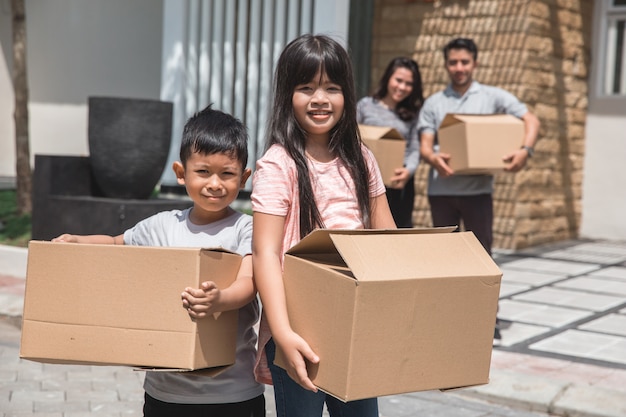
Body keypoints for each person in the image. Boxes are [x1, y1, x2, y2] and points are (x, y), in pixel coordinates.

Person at [52, 105, 266, 417]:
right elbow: (116, 243)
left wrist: (220, 299)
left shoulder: (245, 229)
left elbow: (249, 283)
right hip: (166, 393)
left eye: (228, 174)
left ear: (244, 178)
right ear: (181, 174)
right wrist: (77, 241)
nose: (215, 184)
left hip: (233, 392)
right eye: (203, 172)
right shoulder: (162, 226)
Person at [251, 34, 396, 417]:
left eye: (332, 88)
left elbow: (389, 242)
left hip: (355, 326)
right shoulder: (277, 164)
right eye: (306, 88)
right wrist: (281, 333)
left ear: (346, 94)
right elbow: (265, 253)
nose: (320, 99)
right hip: (298, 327)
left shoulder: (361, 159)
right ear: (287, 95)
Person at [417, 37, 540, 341]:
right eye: (453, 62)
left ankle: (487, 318)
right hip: (442, 192)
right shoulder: (435, 102)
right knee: (444, 257)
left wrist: (525, 150)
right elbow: (424, 146)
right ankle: (446, 314)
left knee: (483, 256)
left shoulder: (492, 97)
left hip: (478, 192)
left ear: (475, 63)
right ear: (446, 64)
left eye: (464, 62)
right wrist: (434, 158)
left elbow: (530, 119)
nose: (459, 68)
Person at [357, 56, 424, 227]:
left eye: (408, 84)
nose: (402, 87)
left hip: (397, 183)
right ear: (388, 77)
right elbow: (351, 138)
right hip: (365, 181)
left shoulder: (413, 113)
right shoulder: (365, 106)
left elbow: (415, 148)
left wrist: (408, 171)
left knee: (398, 232)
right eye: (398, 80)